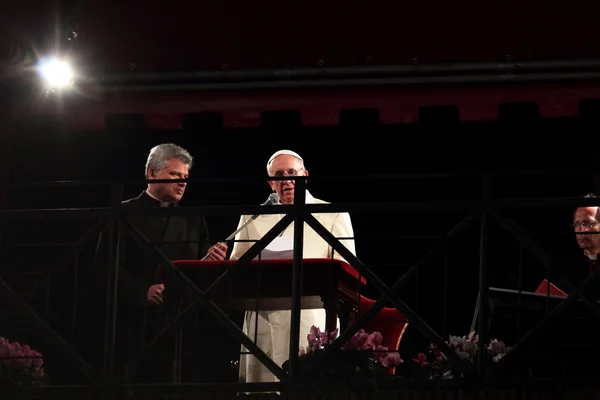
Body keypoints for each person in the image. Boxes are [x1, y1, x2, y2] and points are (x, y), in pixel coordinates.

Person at [95, 143, 227, 383]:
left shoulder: (193, 219)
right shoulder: (123, 212)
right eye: (175, 175)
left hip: (183, 322)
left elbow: (198, 268)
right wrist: (142, 290)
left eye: (185, 177)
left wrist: (210, 261)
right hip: (135, 322)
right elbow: (105, 265)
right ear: (152, 174)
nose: (182, 182)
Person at [229, 149, 356, 383]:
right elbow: (238, 267)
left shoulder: (333, 214)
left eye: (292, 173)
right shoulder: (253, 217)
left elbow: (346, 271)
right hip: (262, 320)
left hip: (311, 318)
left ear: (305, 175)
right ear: (270, 183)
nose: (286, 180)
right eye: (278, 175)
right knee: (263, 389)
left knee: (308, 387)